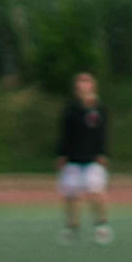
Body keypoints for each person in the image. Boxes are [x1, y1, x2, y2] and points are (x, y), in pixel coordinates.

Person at [55, 71, 113, 244]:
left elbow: (103, 133)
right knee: (71, 195)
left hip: (93, 159)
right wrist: (61, 154)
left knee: (96, 192)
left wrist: (103, 153)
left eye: (86, 82)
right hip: (73, 158)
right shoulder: (70, 109)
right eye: (80, 83)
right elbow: (65, 134)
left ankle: (101, 226)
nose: (83, 86)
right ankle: (72, 227)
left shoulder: (99, 109)